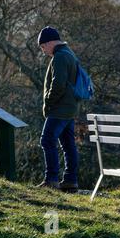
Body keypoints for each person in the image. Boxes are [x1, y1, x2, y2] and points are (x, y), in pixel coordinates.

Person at [37, 26, 80, 192]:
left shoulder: (60, 57)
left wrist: (48, 101)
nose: (43, 51)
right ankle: (70, 180)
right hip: (70, 108)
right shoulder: (69, 54)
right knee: (68, 145)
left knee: (47, 140)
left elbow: (58, 84)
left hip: (60, 109)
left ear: (50, 42)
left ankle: (51, 179)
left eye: (43, 46)